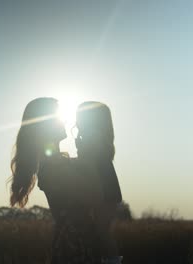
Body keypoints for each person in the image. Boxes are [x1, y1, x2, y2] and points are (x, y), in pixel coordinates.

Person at [9, 97, 99, 264]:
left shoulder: (58, 162)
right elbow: (94, 196)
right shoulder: (52, 166)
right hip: (74, 245)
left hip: (77, 242)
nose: (64, 121)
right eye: (57, 118)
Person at [74, 101, 123, 264]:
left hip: (104, 186)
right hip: (106, 185)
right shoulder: (96, 136)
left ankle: (112, 261)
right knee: (101, 230)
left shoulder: (92, 136)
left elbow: (87, 163)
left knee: (101, 230)